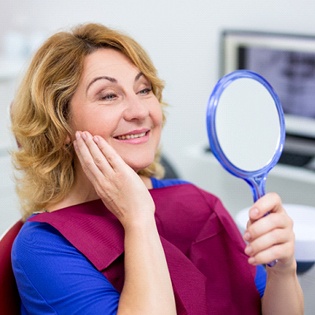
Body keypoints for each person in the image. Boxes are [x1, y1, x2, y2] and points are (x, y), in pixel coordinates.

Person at [10, 22, 303, 314]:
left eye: (144, 90)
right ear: (59, 125)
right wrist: (137, 218)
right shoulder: (43, 247)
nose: (140, 112)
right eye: (108, 95)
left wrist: (283, 271)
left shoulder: (199, 203)